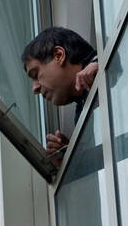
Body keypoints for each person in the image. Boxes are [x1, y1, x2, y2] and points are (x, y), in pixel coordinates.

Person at [22, 26, 99, 155]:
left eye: (35, 74)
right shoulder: (83, 111)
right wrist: (72, 158)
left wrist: (101, 63)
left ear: (59, 55)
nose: (34, 89)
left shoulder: (108, 62)